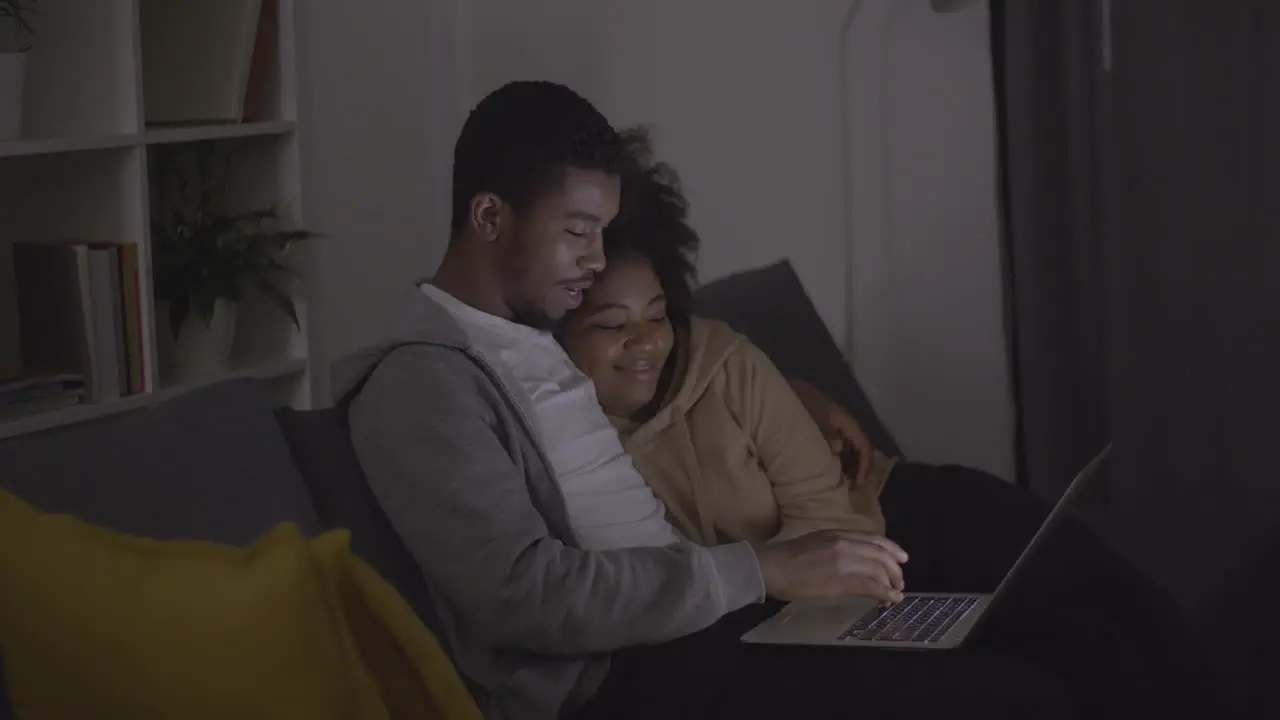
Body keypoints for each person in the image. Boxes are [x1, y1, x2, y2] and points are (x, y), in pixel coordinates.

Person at [334, 80, 1080, 720]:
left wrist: (790, 393)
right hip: (624, 683)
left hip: (709, 625)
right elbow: (526, 595)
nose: (596, 260)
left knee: (1036, 643)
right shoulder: (421, 384)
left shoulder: (535, 336)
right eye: (577, 233)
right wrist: (761, 571)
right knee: (1007, 699)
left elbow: (666, 374)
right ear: (490, 218)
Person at [555, 130, 1233, 719]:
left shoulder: (719, 356)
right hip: (822, 593)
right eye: (612, 325)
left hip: (891, 512)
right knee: (1035, 681)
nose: (646, 342)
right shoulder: (569, 445)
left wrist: (790, 409)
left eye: (658, 312)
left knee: (1122, 615)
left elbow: (836, 520)